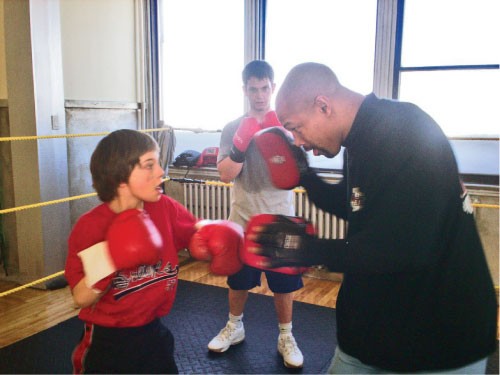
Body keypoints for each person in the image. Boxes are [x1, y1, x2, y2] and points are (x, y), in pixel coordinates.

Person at [249, 62, 498, 373]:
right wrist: (306, 176)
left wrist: (307, 249)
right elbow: (356, 204)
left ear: (323, 106)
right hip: (378, 328)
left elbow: (402, 249)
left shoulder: (404, 134)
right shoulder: (361, 139)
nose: (297, 140)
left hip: (441, 335)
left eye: (295, 127)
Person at [65, 129, 243, 374]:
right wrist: (112, 256)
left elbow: (193, 229)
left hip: (153, 331)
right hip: (107, 341)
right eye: (149, 165)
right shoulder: (92, 227)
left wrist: (213, 231)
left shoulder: (163, 208)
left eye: (158, 163)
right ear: (120, 175)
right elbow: (81, 298)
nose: (161, 172)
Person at [209, 60, 305, 368]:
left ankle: (286, 335)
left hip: (280, 218)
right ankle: (234, 326)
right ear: (244, 90)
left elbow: (299, 174)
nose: (260, 95)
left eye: (265, 88)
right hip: (243, 219)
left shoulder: (288, 126)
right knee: (238, 282)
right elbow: (225, 173)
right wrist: (241, 142)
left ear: (273, 87)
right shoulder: (232, 128)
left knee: (284, 286)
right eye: (254, 89)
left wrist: (283, 138)